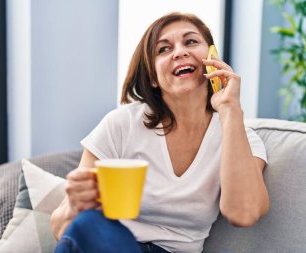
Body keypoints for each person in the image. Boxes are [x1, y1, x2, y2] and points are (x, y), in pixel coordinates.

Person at [50, 12, 270, 253]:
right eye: (163, 49)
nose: (179, 52)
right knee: (88, 223)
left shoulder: (241, 136)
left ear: (212, 58)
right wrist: (74, 204)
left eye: (191, 42)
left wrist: (230, 110)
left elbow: (244, 214)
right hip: (112, 244)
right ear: (153, 77)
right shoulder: (121, 124)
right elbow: (64, 230)